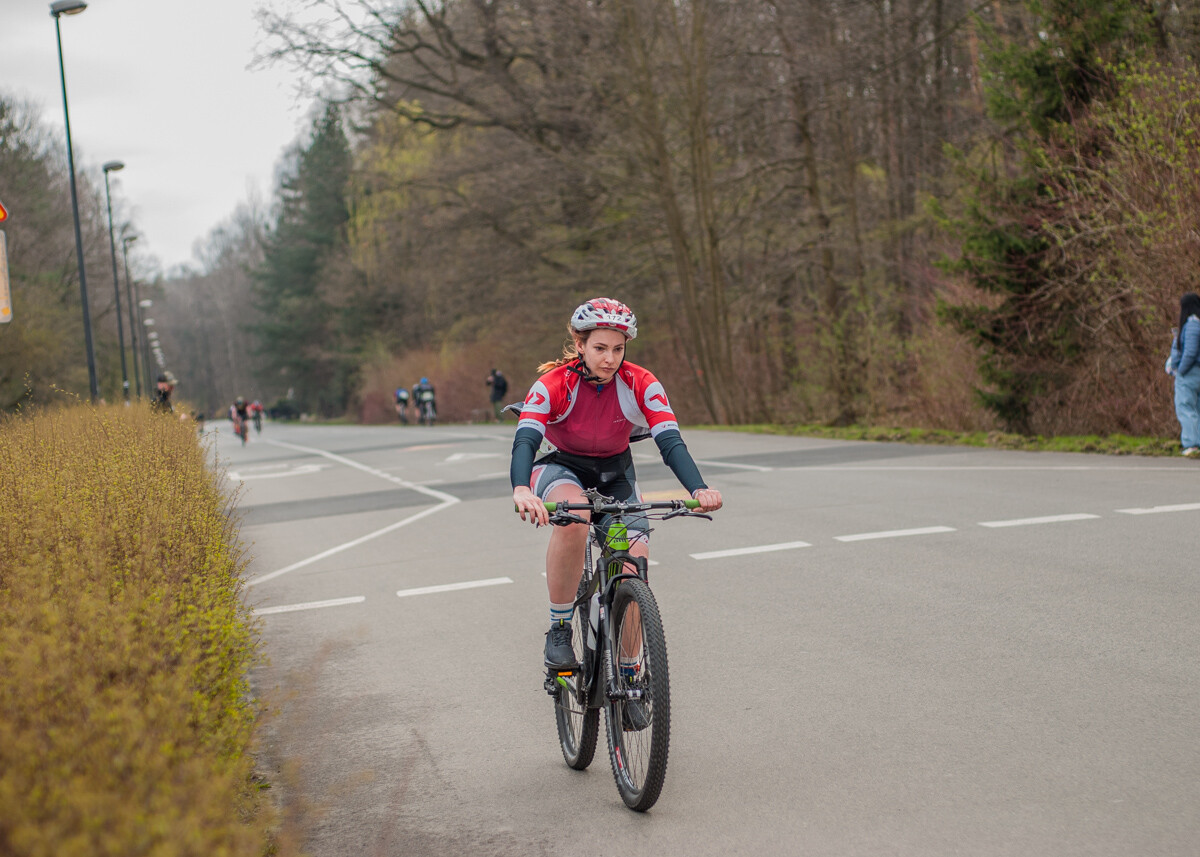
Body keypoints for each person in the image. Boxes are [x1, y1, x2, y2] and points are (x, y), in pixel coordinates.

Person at [510, 297, 723, 676]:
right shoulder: (553, 384)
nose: (609, 359)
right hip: (562, 468)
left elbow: (670, 442)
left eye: (618, 349)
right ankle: (559, 629)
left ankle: (629, 670)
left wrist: (699, 488)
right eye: (600, 348)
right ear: (580, 345)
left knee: (632, 561)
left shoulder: (641, 382)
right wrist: (522, 490)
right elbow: (525, 440)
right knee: (576, 516)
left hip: (616, 472)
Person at [1166, 291, 1200, 457]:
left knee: (1186, 408)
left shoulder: (1193, 323)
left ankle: (1191, 445)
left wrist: (1181, 370)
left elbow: (1191, 351)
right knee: (1196, 409)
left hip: (1191, 373)